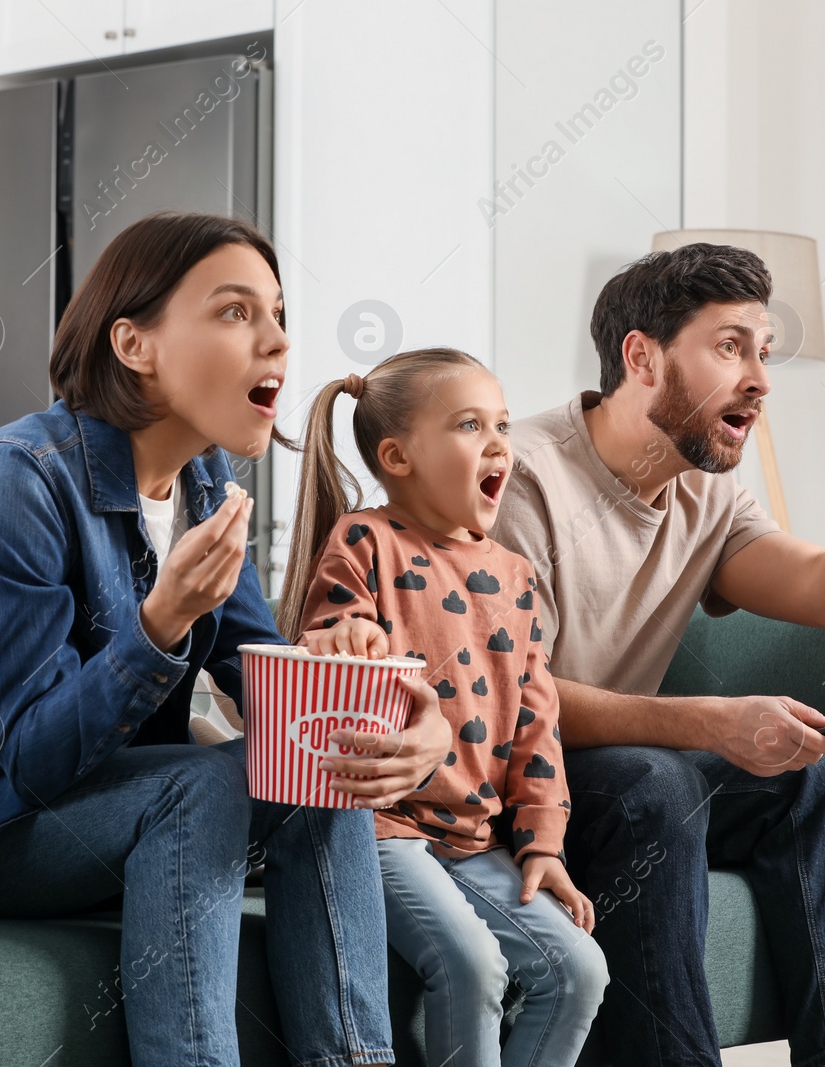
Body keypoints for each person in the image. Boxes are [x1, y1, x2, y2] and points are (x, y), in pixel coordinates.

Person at [0, 212, 449, 1067]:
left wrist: (399, 716)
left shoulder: (206, 486)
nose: (277, 342)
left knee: (318, 773)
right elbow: (29, 757)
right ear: (134, 344)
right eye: (236, 312)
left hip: (108, 810)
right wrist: (159, 623)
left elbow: (266, 684)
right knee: (205, 782)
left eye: (279, 315)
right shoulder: (13, 481)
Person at [490, 241, 825, 1066]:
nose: (760, 377)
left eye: (763, 350)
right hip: (516, 781)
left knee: (823, 774)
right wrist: (710, 723)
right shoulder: (523, 477)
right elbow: (508, 700)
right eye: (730, 347)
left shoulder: (704, 489)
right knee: (658, 778)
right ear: (641, 357)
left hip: (624, 776)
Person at [276, 347, 609, 1067]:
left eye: (502, 424)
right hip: (384, 828)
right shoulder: (364, 540)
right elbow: (325, 637)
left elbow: (537, 725)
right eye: (469, 424)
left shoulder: (516, 576)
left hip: (477, 836)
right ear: (397, 456)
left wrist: (543, 843)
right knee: (475, 964)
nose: (498, 444)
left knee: (581, 971)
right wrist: (347, 633)